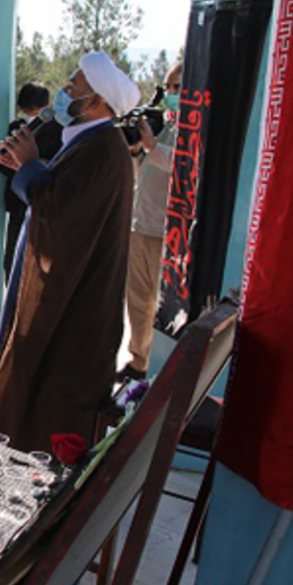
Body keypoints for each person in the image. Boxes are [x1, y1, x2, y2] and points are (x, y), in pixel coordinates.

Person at [0, 51, 139, 451]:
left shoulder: (103, 149)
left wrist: (32, 164)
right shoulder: (92, 142)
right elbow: (64, 195)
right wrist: (24, 167)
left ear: (96, 100)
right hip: (74, 290)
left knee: (49, 391)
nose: (64, 92)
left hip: (76, 301)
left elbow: (62, 214)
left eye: (73, 86)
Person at [120, 61, 183, 382]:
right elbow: (144, 171)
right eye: (168, 87)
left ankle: (158, 368)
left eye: (176, 88)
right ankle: (138, 361)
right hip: (140, 226)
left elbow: (186, 166)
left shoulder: (195, 129)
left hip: (166, 233)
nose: (170, 93)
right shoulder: (167, 124)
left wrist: (152, 147)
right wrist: (136, 150)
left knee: (160, 306)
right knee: (137, 302)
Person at [0, 82, 63, 280]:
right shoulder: (17, 128)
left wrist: (31, 164)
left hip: (39, 203)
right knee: (12, 262)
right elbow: (2, 163)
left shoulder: (58, 129)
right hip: (19, 203)